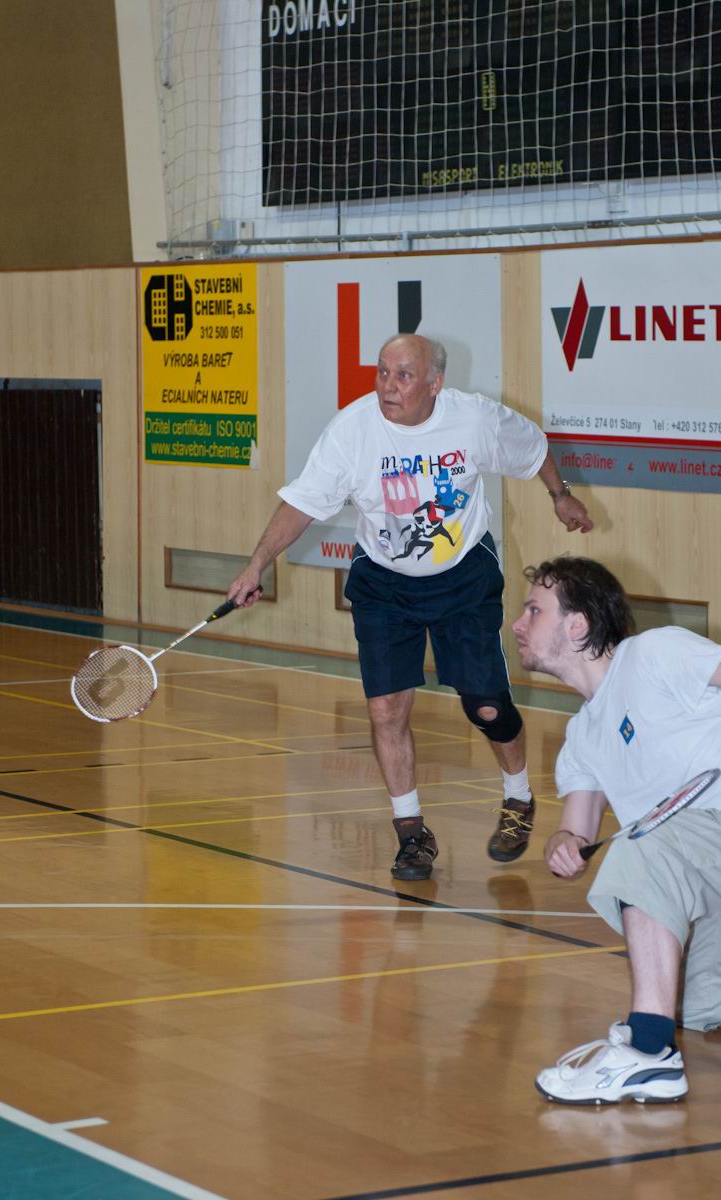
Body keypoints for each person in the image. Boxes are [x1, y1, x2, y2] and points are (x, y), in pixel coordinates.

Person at [227, 334, 592, 881]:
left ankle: (518, 796)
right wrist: (257, 564)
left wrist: (560, 495)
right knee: (386, 710)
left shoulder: (472, 420)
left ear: (435, 384)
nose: (388, 386)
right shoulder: (351, 431)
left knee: (486, 706)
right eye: (382, 373)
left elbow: (534, 448)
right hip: (383, 583)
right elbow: (301, 503)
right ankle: (411, 832)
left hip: (462, 574)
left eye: (403, 376)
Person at [511, 555, 721, 1104]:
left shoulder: (654, 654)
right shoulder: (581, 738)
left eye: (534, 611)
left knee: (646, 846)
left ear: (577, 625)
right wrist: (563, 846)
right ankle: (661, 1028)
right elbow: (576, 829)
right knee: (694, 999)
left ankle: (651, 1055)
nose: (517, 624)